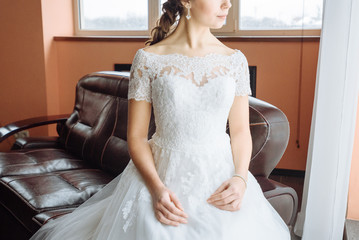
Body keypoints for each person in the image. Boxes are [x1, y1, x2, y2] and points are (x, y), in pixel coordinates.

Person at [30, 0, 291, 239]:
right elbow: (136, 137)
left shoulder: (235, 61)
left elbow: (241, 131)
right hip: (162, 176)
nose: (228, 4)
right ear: (187, 1)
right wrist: (156, 189)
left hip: (221, 179)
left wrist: (240, 179)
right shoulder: (148, 60)